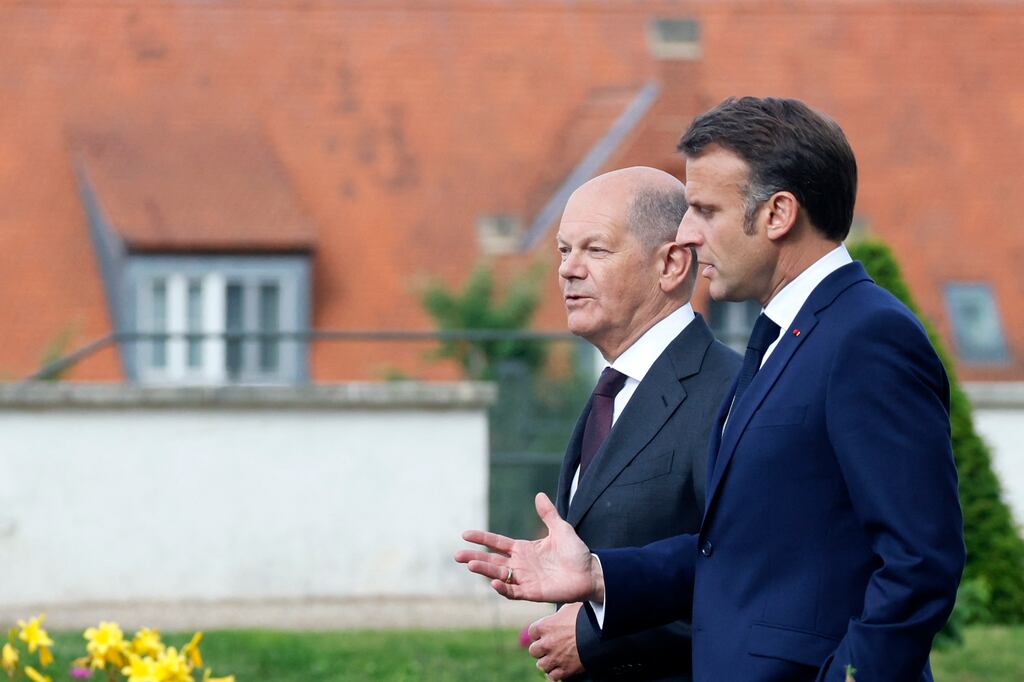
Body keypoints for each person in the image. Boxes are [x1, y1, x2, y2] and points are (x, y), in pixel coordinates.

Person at [457, 97, 965, 682]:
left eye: (704, 210)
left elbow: (920, 563)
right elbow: (742, 549)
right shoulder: (781, 336)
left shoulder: (867, 335)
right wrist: (600, 575)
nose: (688, 235)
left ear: (777, 214)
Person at [533, 167, 740, 681]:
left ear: (671, 263)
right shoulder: (613, 387)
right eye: (563, 250)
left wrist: (594, 640)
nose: (569, 270)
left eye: (595, 250)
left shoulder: (731, 392)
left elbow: (743, 574)